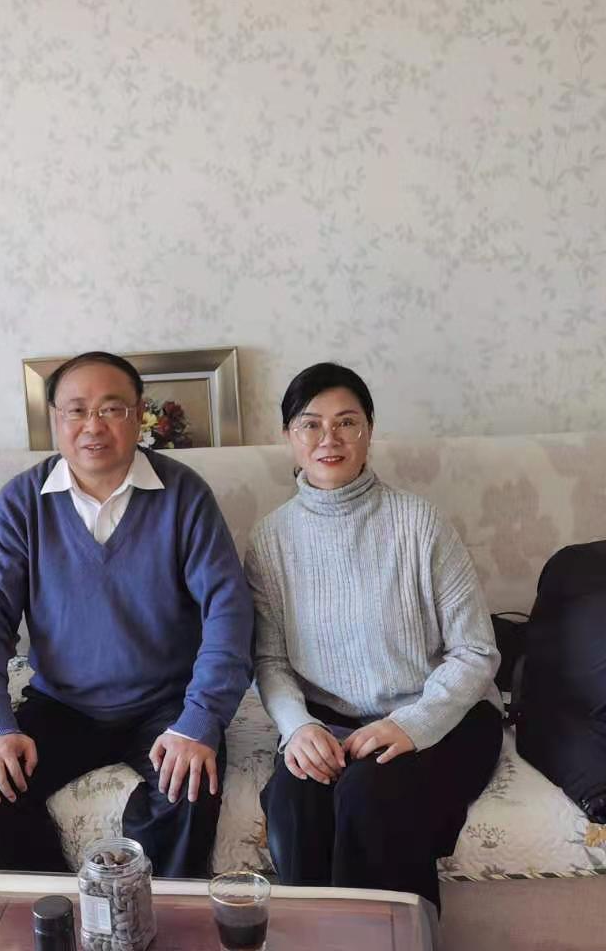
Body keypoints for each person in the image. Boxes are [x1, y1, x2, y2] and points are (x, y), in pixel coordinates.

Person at [0, 351, 254, 877]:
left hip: (166, 701)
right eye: (76, 410)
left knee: (190, 789)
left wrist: (199, 721)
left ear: (139, 415)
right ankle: (58, 911)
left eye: (111, 409)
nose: (92, 426)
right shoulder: (23, 501)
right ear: (56, 419)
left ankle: (148, 911)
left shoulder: (184, 495)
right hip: (63, 704)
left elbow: (228, 612)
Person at [248, 362, 502, 910]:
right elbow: (270, 661)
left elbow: (477, 651)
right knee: (297, 799)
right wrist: (298, 726)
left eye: (347, 422)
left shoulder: (421, 523)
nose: (329, 439)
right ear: (289, 436)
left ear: (369, 430)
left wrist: (411, 724)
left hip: (443, 716)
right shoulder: (270, 540)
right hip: (332, 721)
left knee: (369, 794)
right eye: (311, 424)